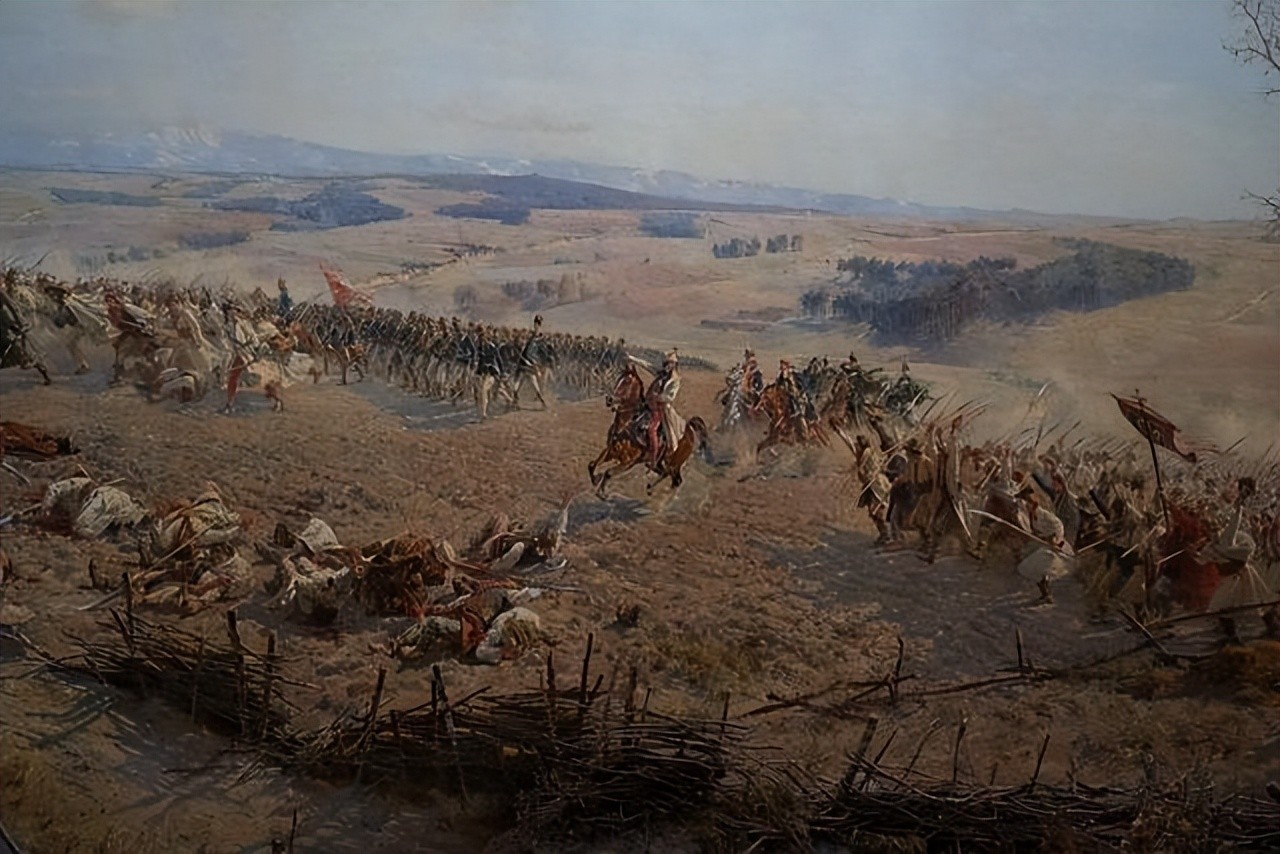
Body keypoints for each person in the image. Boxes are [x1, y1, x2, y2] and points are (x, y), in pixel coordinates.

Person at [645, 349, 683, 468]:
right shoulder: (661, 373)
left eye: (670, 363)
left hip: (662, 408)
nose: (667, 365)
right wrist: (632, 359)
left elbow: (670, 397)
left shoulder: (675, 380)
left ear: (674, 365)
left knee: (653, 429)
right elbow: (647, 365)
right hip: (651, 404)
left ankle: (654, 459)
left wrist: (657, 396)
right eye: (666, 363)